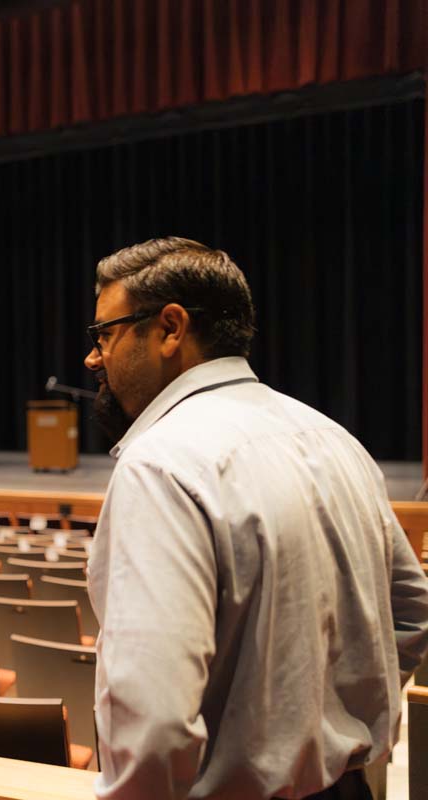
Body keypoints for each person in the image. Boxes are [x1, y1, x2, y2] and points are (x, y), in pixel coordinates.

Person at [82, 237, 428, 800]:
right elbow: (411, 612)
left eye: (105, 332)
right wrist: (334, 719)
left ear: (171, 328)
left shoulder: (162, 464)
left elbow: (156, 721)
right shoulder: (335, 439)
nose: (93, 356)